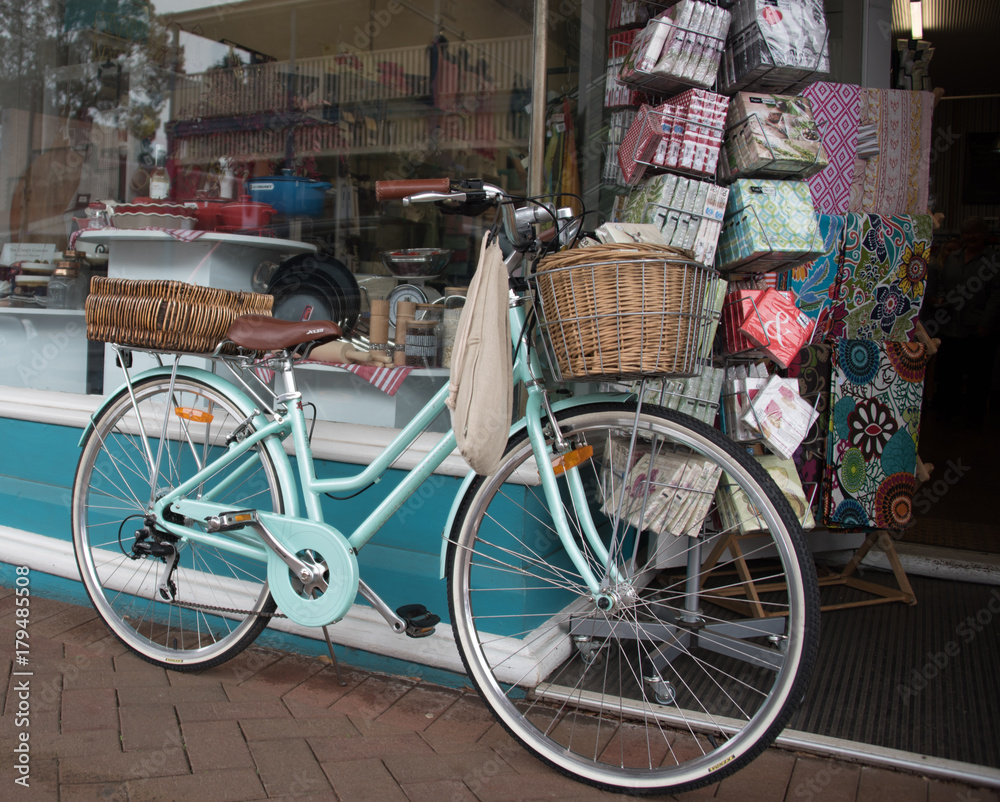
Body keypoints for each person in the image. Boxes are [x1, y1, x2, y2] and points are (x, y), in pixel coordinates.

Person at [926, 217, 1000, 425]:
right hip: (950, 327)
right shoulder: (953, 257)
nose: (971, 237)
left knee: (979, 377)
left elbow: (996, 296)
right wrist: (940, 298)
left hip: (978, 328)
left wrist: (986, 324)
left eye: (975, 233)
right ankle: (946, 416)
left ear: (984, 235)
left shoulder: (993, 260)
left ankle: (974, 420)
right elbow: (942, 284)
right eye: (967, 233)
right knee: (949, 374)